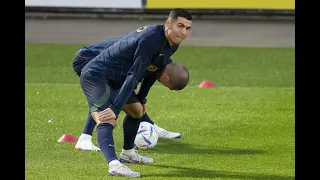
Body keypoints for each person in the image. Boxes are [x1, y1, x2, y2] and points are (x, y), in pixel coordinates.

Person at [78, 8, 192, 177]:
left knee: (137, 110)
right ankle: (114, 165)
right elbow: (134, 75)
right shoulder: (151, 39)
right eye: (180, 26)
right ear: (168, 23)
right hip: (97, 75)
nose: (183, 32)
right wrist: (115, 110)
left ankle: (128, 153)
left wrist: (142, 98)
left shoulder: (172, 43)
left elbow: (154, 70)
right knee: (107, 119)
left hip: (117, 79)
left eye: (187, 28)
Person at [72, 38, 181, 152]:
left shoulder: (158, 57)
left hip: (103, 63)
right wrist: (116, 109)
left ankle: (148, 125)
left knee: (128, 99)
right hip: (87, 59)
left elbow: (147, 77)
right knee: (108, 95)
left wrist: (141, 99)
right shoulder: (151, 51)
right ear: (167, 77)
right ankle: (85, 139)